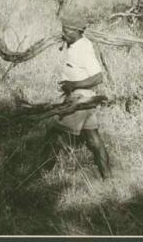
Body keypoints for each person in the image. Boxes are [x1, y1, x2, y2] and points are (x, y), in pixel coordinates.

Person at [40, 14, 112, 180]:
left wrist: (73, 85)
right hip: (84, 99)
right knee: (94, 140)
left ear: (77, 31)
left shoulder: (83, 49)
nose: (63, 33)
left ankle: (40, 176)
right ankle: (108, 177)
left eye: (66, 30)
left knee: (54, 135)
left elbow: (98, 77)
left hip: (80, 98)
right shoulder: (76, 44)